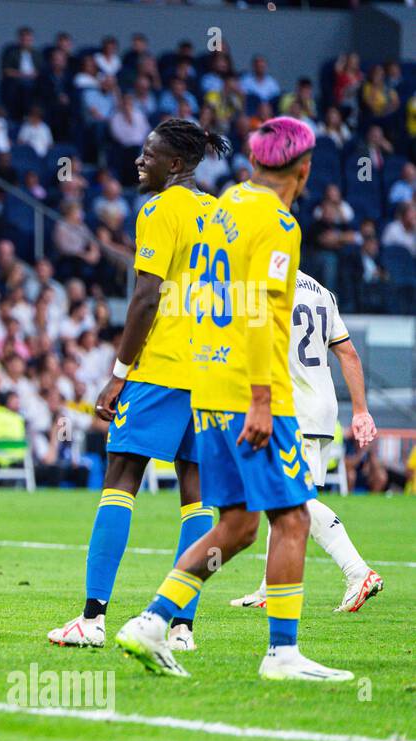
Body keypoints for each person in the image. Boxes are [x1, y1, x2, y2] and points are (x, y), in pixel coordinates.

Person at [115, 116, 353, 682]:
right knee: (292, 517)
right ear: (304, 168)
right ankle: (282, 654)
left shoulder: (222, 207)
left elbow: (195, 295)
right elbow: (263, 314)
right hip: (254, 392)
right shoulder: (277, 223)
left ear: (252, 162)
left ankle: (150, 622)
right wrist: (265, 400)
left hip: (208, 388)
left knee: (241, 524)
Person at [49, 120, 231, 652]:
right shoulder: (220, 213)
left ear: (176, 164)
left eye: (149, 154)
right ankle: (181, 627)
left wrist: (118, 373)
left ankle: (93, 617)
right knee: (195, 494)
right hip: (211, 369)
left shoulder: (158, 210)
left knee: (121, 477)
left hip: (162, 366)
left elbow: (147, 295)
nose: (139, 162)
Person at [230, 272, 383, 613]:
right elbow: (349, 354)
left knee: (293, 499)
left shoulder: (264, 287)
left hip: (292, 408)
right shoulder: (321, 292)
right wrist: (360, 411)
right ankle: (271, 585)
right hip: (322, 408)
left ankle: (358, 572)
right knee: (280, 495)